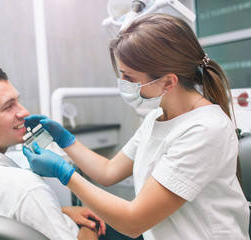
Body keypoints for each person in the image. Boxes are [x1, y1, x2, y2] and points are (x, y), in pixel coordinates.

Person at [22, 13, 250, 240]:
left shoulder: (205, 130)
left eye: (129, 78)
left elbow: (133, 222)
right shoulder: (158, 117)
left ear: (168, 82)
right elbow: (109, 171)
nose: (124, 86)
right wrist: (65, 140)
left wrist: (65, 174)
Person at [0, 65, 106, 240]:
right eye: (8, 107)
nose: (24, 112)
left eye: (17, 101)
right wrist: (90, 228)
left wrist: (61, 212)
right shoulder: (26, 187)